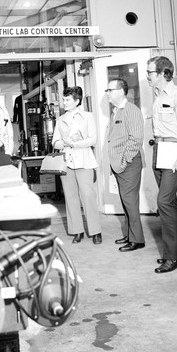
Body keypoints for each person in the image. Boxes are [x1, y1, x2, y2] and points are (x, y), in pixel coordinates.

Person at [147, 56, 177, 273]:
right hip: (159, 149)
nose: (148, 76)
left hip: (173, 150)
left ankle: (172, 257)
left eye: (150, 73)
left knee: (163, 201)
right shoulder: (157, 95)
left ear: (164, 73)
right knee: (170, 202)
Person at [52, 87, 102, 244]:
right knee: (71, 196)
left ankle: (95, 231)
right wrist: (64, 143)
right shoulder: (60, 120)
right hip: (67, 162)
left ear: (77, 101)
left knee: (88, 195)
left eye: (67, 99)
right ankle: (77, 231)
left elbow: (92, 139)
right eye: (64, 99)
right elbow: (55, 142)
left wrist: (74, 143)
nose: (64, 102)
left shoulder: (87, 117)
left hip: (84, 160)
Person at [106, 78, 146, 252]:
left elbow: (136, 139)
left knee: (130, 202)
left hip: (129, 164)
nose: (107, 93)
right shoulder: (116, 111)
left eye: (110, 90)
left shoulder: (131, 110)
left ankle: (137, 239)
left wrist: (124, 161)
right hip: (119, 164)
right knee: (125, 201)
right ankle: (130, 234)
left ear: (121, 91)